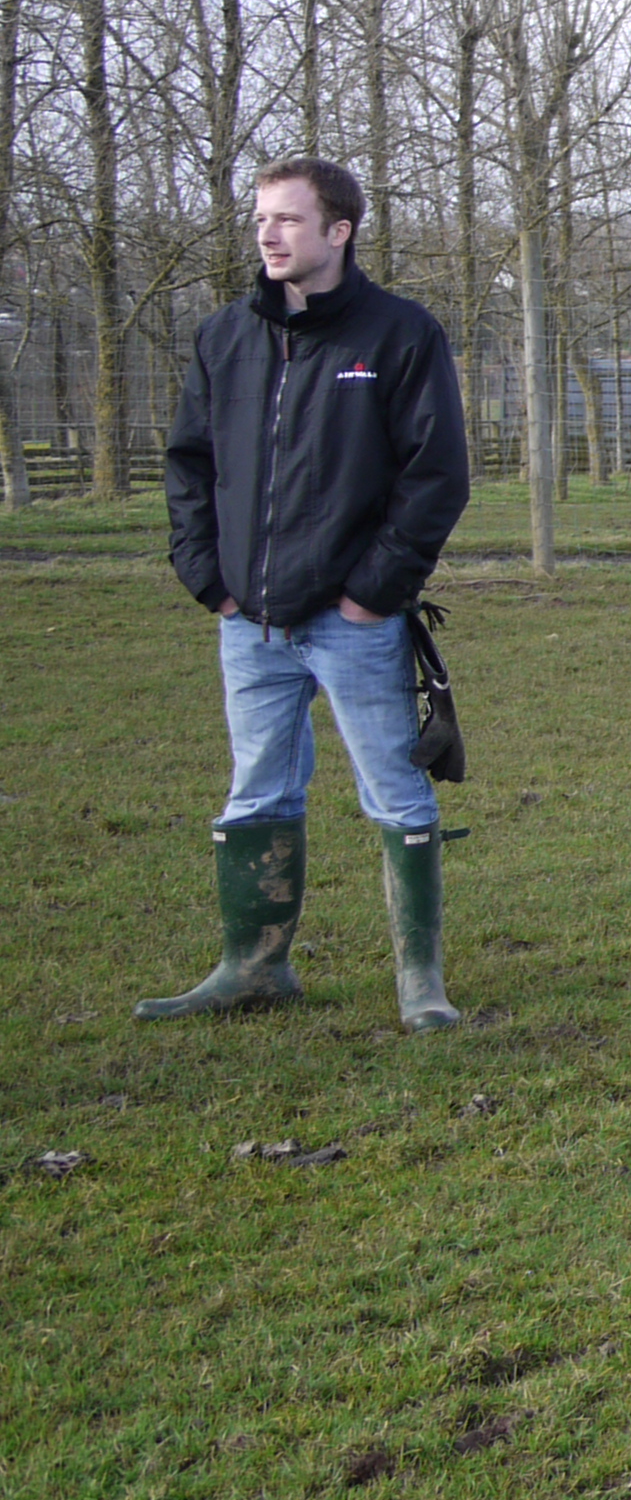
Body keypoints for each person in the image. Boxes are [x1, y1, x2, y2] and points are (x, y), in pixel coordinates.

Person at [151, 157, 472, 1032]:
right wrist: (208, 580)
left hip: (354, 622)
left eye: (288, 219)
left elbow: (436, 478)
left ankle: (420, 983)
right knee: (255, 793)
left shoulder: (400, 336)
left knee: (398, 797)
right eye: (260, 217)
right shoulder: (224, 339)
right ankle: (252, 968)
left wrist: (372, 594)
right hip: (247, 623)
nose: (267, 233)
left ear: (340, 231)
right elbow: (189, 466)